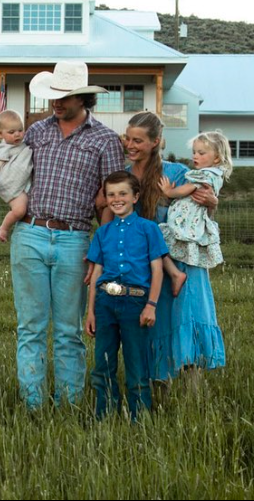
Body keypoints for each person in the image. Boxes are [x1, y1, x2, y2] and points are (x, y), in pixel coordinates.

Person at [12, 61, 125, 409]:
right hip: (30, 232)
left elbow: (111, 199)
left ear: (84, 98)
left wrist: (100, 252)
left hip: (75, 239)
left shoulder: (105, 140)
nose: (56, 103)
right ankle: (32, 404)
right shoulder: (36, 132)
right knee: (30, 327)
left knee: (67, 330)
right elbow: (15, 176)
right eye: (53, 97)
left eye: (64, 96)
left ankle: (69, 405)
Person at [122, 111, 225, 398]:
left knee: (188, 317)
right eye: (128, 138)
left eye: (138, 140)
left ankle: (194, 392)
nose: (130, 145)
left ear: (156, 142)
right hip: (145, 261)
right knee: (155, 321)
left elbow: (200, 209)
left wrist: (212, 201)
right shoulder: (124, 177)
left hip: (183, 258)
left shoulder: (177, 173)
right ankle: (160, 392)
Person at [86, 171, 168, 421]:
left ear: (136, 196)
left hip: (135, 302)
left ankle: (139, 418)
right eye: (111, 194)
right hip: (105, 303)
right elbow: (96, 274)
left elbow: (157, 270)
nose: (116, 199)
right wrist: (90, 311)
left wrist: (151, 305)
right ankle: (105, 416)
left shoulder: (149, 229)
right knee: (103, 363)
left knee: (136, 363)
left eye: (123, 193)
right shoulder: (102, 233)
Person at [159, 130, 233, 270]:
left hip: (189, 215)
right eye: (194, 152)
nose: (195, 156)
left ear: (216, 158)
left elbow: (187, 189)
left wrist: (169, 191)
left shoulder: (205, 174)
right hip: (198, 215)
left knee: (178, 235)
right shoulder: (216, 175)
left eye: (201, 153)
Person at [0, 109, 34, 242]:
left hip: (20, 184)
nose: (17, 135)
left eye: (20, 130)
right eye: (11, 132)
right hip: (10, 186)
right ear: (0, 133)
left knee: (26, 207)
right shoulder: (4, 149)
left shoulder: (24, 144)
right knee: (19, 211)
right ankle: (4, 228)